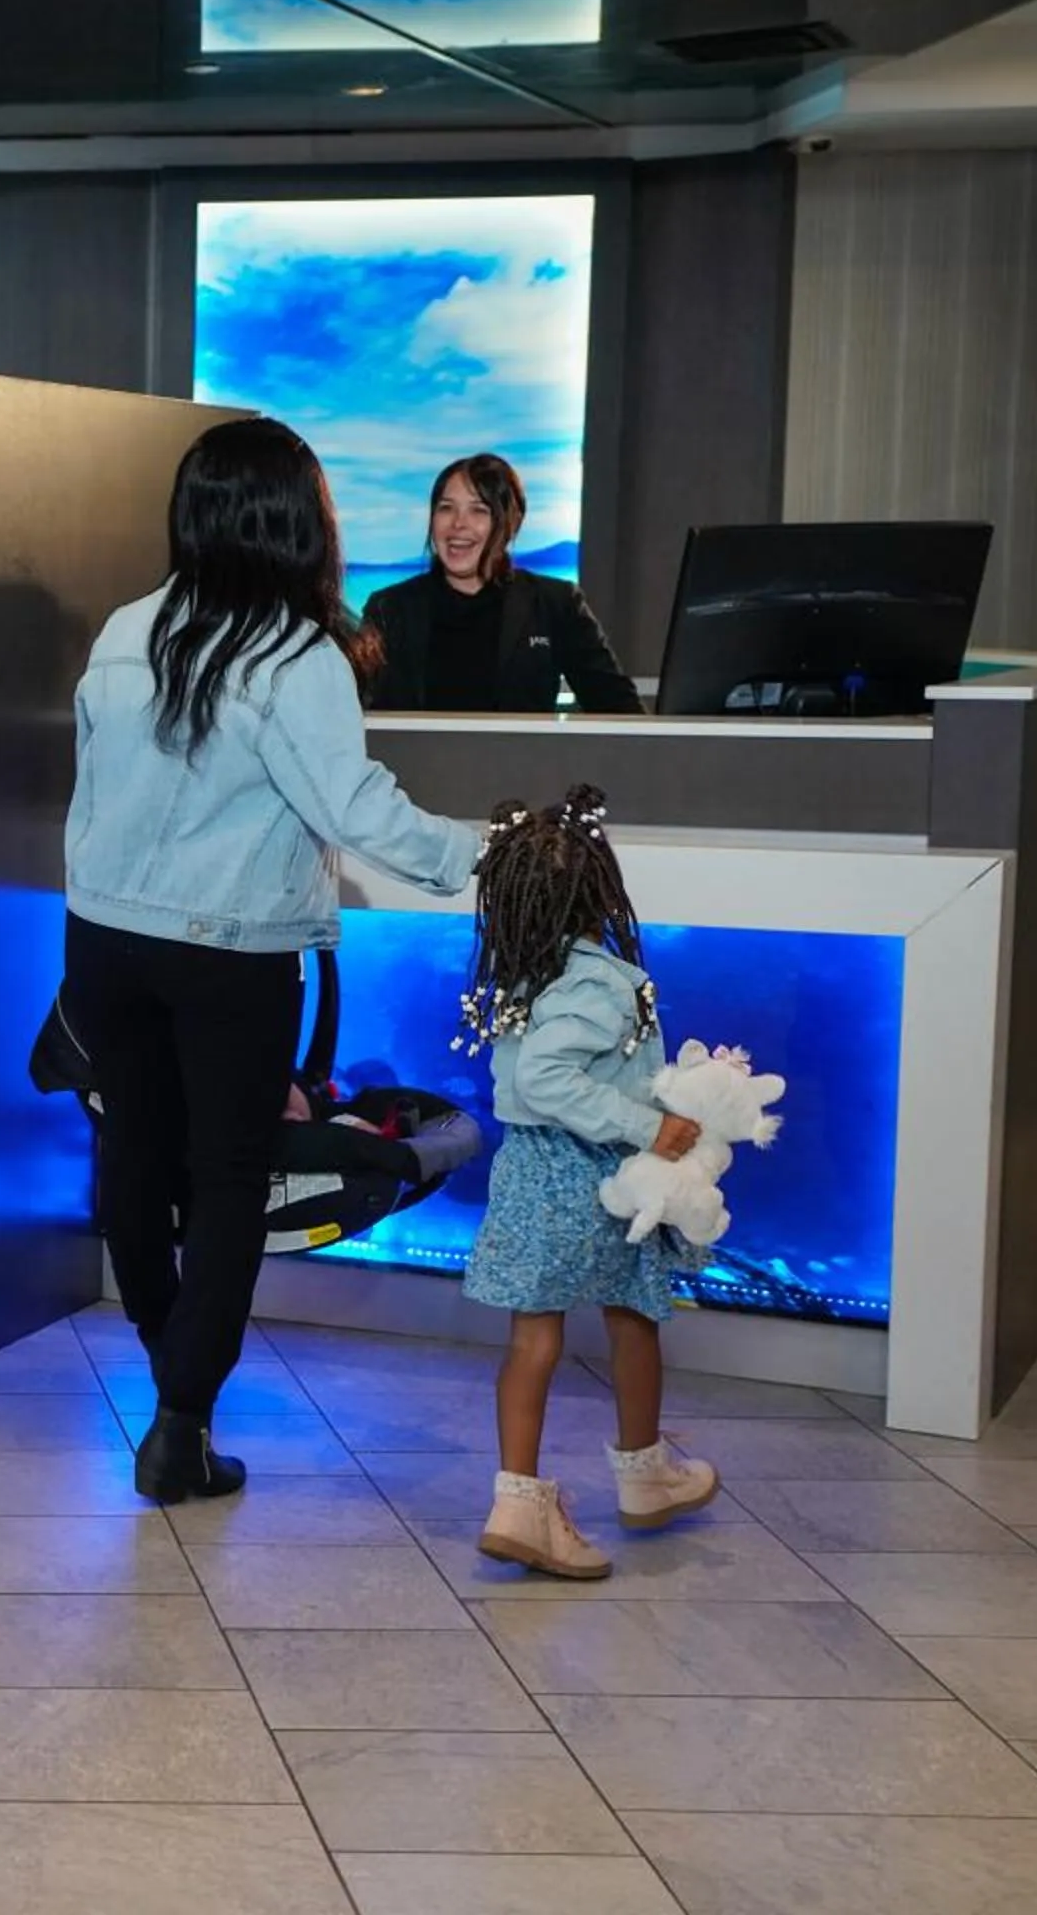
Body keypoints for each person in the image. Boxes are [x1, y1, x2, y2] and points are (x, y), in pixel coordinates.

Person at [62, 417, 480, 1506]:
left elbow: (90, 786)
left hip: (102, 936)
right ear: (301, 520)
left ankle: (169, 1375)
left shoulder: (125, 627)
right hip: (228, 950)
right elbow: (353, 805)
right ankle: (181, 1421)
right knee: (228, 1179)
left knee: (133, 1160)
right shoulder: (299, 656)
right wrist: (483, 856)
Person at [459, 784, 721, 1579]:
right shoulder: (604, 983)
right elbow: (547, 1079)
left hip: (528, 1174)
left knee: (533, 1341)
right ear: (601, 893)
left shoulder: (519, 982)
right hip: (597, 1178)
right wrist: (651, 1126)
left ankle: (519, 1503)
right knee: (633, 1316)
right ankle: (643, 1472)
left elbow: (530, 1075)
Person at [360, 454, 640, 714]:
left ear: (510, 523)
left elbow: (620, 710)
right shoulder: (388, 609)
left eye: (478, 510)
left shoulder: (556, 603)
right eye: (446, 508)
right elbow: (352, 718)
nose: (458, 524)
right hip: (411, 768)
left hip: (521, 767)